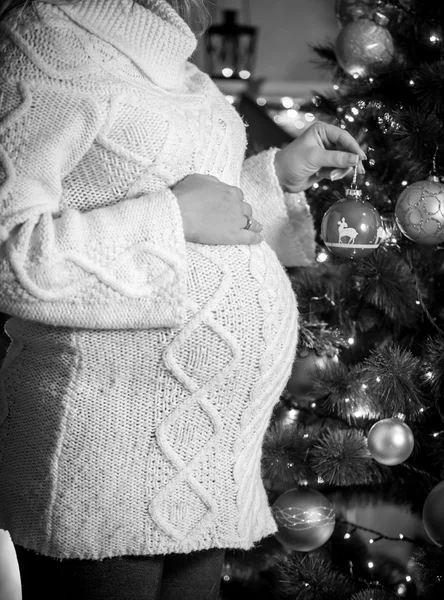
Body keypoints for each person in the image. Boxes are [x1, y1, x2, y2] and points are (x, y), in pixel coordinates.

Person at [0, 0, 366, 598]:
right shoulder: (45, 40)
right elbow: (12, 247)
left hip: (208, 445)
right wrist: (172, 215)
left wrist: (275, 178)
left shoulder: (178, 60)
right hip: (104, 445)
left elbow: (200, 214)